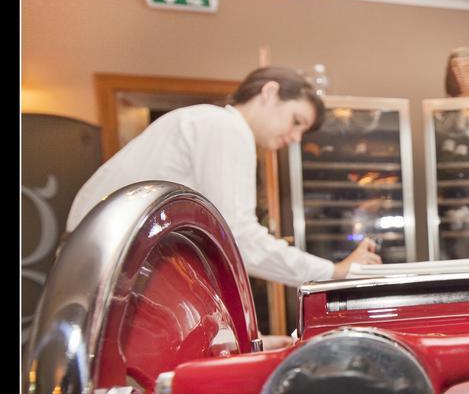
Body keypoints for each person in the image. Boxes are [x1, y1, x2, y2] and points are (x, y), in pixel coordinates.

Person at [66, 66, 381, 286]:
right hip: (108, 266)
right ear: (269, 92)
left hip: (95, 262)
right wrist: (333, 271)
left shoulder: (205, 121)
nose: (296, 137)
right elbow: (239, 238)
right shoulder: (225, 128)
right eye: (296, 121)